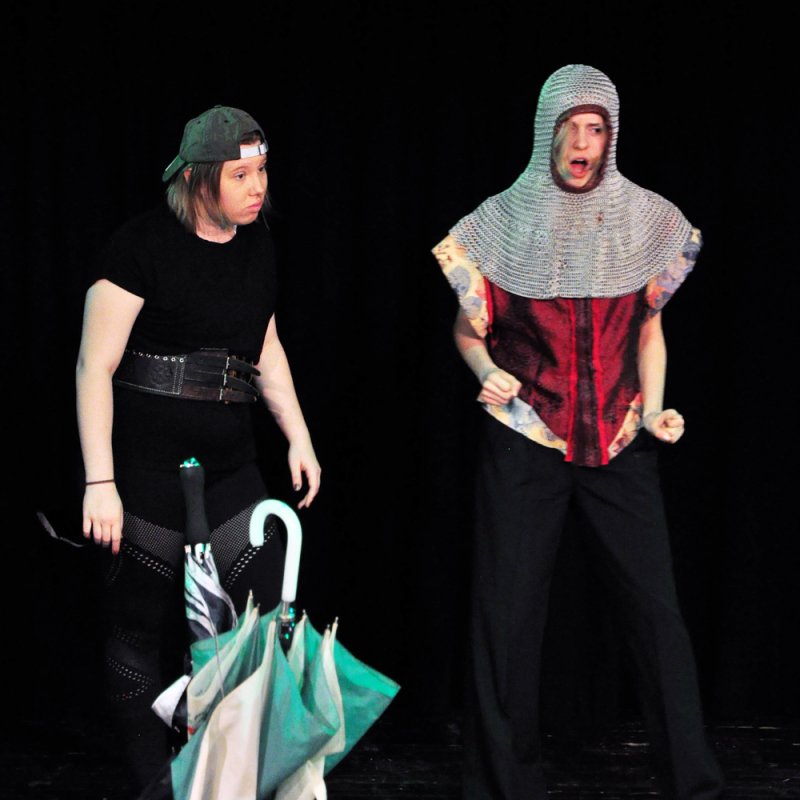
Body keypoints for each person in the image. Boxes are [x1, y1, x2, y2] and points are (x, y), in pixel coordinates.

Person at [433, 65, 724, 799]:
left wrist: (654, 409)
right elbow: (468, 330)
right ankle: (504, 787)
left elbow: (649, 329)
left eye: (596, 129)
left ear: (612, 137)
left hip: (619, 432)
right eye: (571, 127)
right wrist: (484, 370)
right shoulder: (500, 222)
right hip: (526, 431)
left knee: (657, 613)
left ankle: (693, 784)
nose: (583, 142)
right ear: (548, 133)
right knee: (506, 614)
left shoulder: (647, 220)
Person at [76, 105, 321, 787]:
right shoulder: (139, 247)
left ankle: (218, 776)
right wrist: (100, 483)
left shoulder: (258, 246)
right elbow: (93, 366)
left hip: (230, 470)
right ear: (196, 177)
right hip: (149, 473)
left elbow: (266, 347)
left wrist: (298, 435)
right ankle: (155, 783)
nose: (258, 186)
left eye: (262, 170)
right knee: (138, 629)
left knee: (257, 624)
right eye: (240, 175)